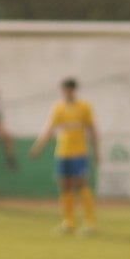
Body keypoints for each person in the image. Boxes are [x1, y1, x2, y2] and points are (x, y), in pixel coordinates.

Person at [29, 77, 98, 234]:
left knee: (81, 185)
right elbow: (49, 130)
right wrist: (37, 147)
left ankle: (90, 222)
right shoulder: (58, 108)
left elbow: (92, 129)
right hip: (62, 152)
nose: (67, 92)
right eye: (65, 89)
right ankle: (69, 222)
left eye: (70, 89)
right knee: (64, 186)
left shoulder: (84, 107)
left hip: (79, 152)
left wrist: (97, 151)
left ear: (74, 90)